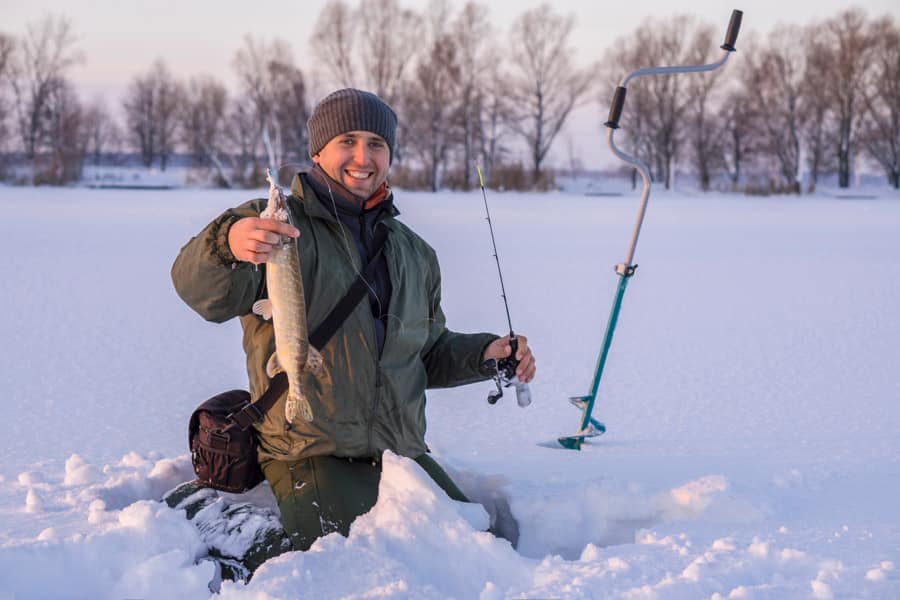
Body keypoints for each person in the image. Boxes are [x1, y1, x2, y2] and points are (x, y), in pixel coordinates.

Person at [172, 88, 535, 552]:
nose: (363, 156)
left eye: (377, 144)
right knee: (353, 562)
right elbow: (200, 292)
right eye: (347, 140)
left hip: (398, 454)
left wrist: (486, 354)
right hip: (309, 449)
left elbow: (423, 353)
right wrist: (227, 243)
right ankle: (219, 523)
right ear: (317, 151)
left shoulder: (414, 252)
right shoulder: (274, 226)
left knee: (477, 548)